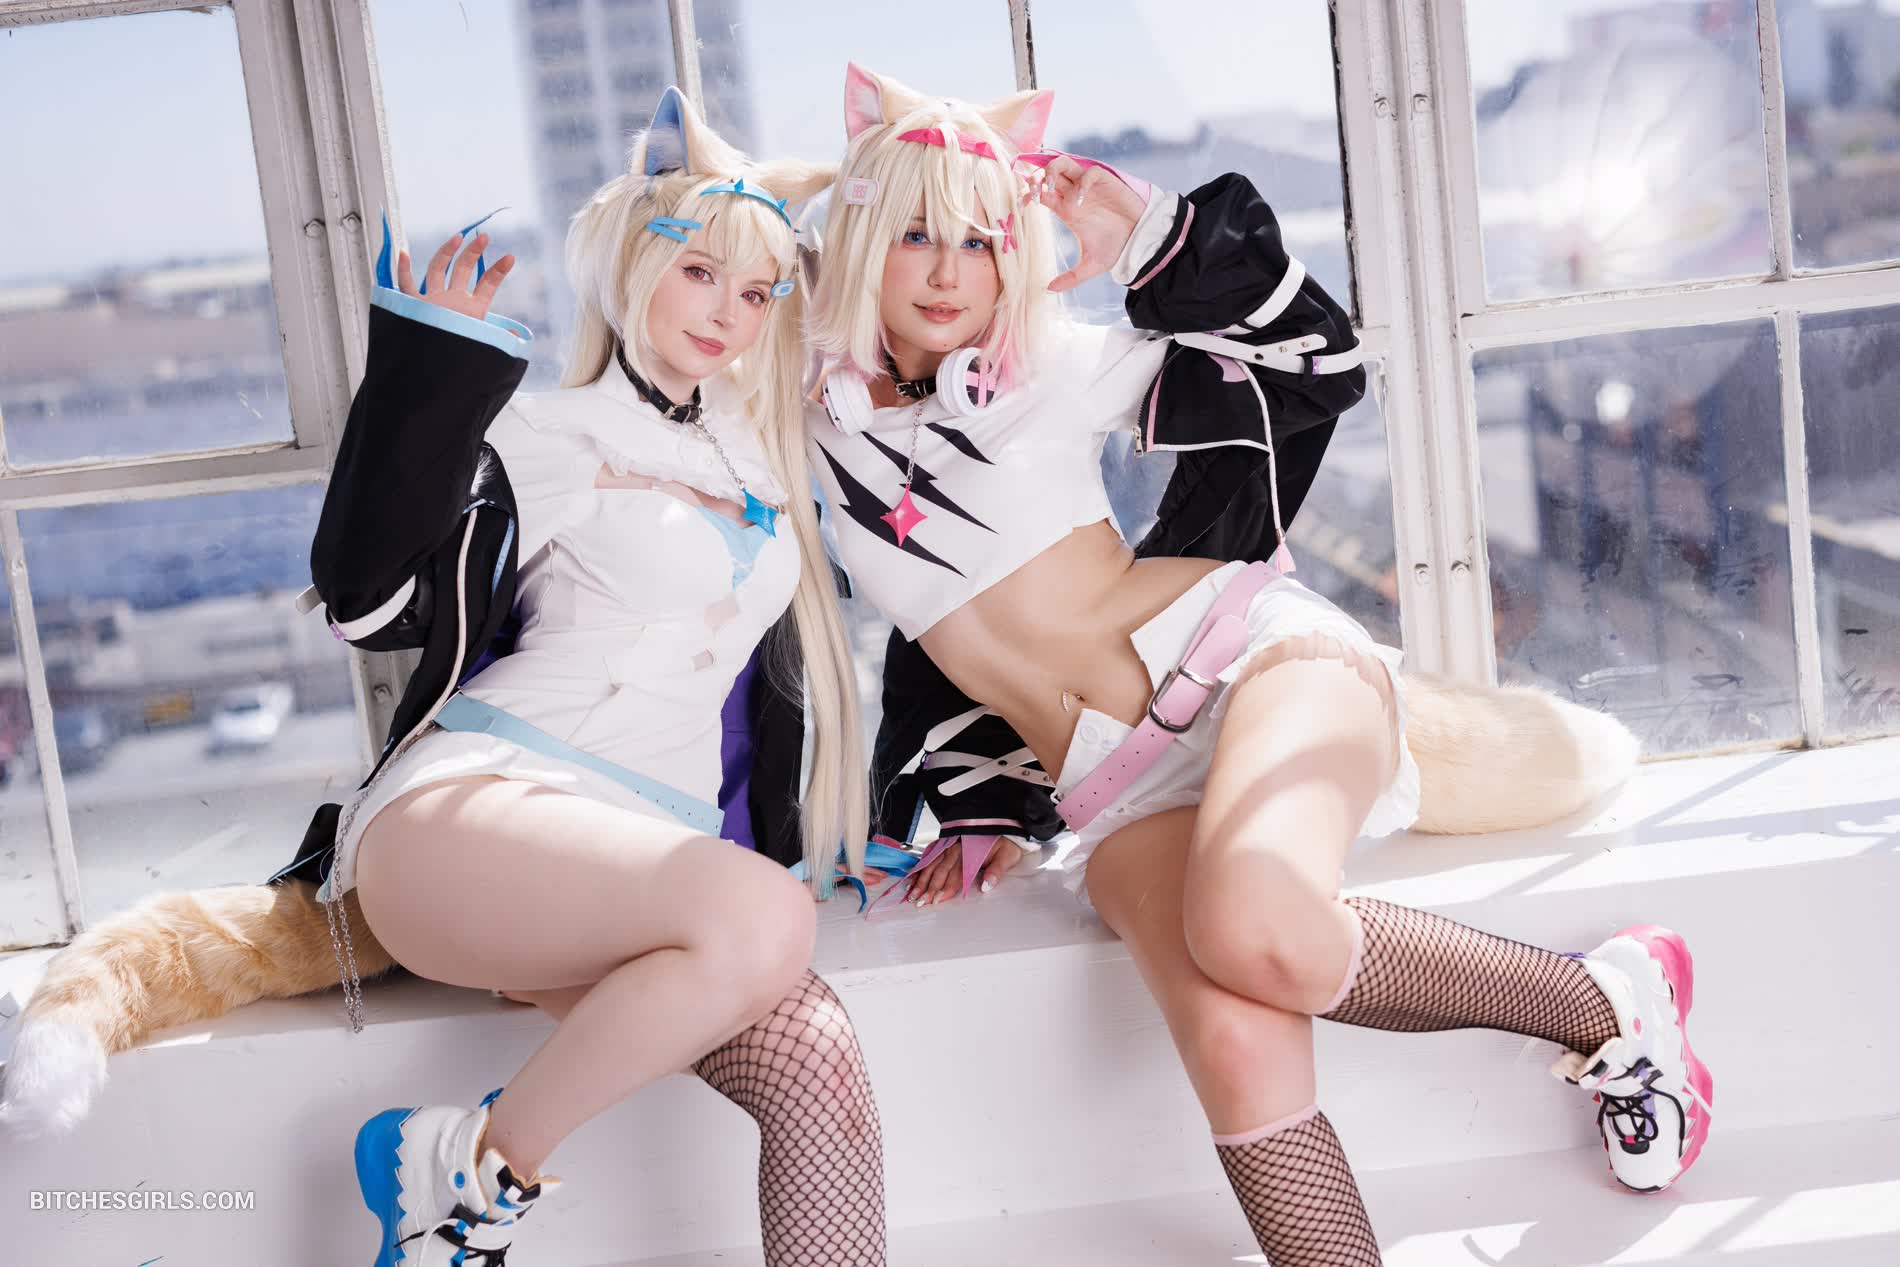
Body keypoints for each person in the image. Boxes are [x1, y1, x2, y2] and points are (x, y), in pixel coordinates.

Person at [803, 64, 1710, 1263]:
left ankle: (1610, 1005)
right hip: (1111, 788)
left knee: (1256, 926)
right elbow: (936, 642)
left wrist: (1148, 237)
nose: (946, 271)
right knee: (1235, 1048)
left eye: (979, 241)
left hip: (1250, 663)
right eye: (916, 234)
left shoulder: (1047, 370)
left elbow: (1320, 369)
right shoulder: (812, 423)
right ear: (860, 238)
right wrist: (983, 799)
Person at [1, 90, 886, 1267]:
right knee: (767, 913)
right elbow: (367, 601)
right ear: (631, 266)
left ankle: (458, 1200)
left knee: (817, 1062)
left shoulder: (762, 456)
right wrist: (433, 370)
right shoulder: (549, 435)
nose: (729, 311)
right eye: (699, 272)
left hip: (644, 874)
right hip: (479, 814)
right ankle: (466, 1176)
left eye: (759, 291)